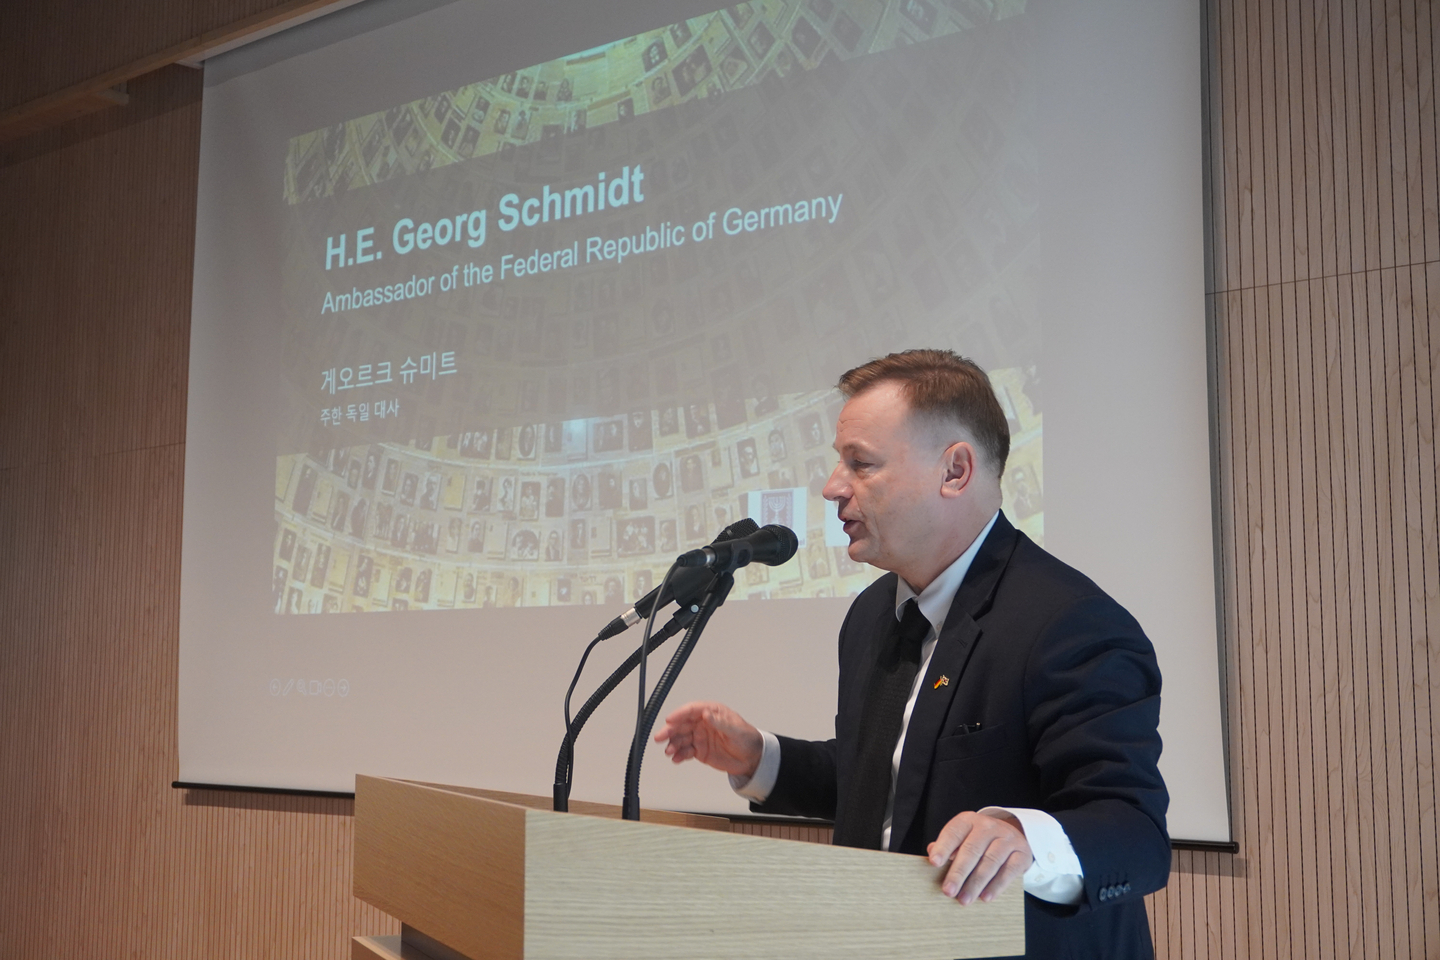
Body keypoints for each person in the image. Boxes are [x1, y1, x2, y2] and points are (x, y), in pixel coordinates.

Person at [655, 350, 1169, 960]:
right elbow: (894, 779)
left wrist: (1021, 835)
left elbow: (1134, 832)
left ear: (954, 470)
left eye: (860, 463)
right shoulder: (871, 615)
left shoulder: (1070, 624)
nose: (831, 487)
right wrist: (763, 758)